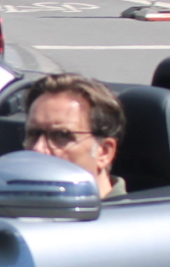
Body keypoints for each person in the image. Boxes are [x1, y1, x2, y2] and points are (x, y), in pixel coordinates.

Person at [23, 71, 127, 200]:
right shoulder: (16, 207)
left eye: (62, 135)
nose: (38, 148)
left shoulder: (125, 219)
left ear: (104, 152)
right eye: (33, 134)